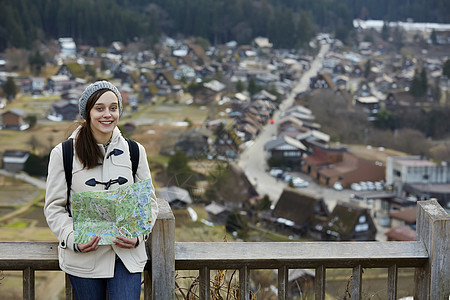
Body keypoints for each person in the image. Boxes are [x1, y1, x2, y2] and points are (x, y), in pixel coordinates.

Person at [44, 80, 159, 300]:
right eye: (99, 108)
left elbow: (150, 204)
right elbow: (54, 208)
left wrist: (139, 237)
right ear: (87, 112)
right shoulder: (64, 153)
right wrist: (72, 238)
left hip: (126, 256)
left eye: (113, 108)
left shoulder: (135, 151)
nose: (107, 114)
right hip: (85, 257)